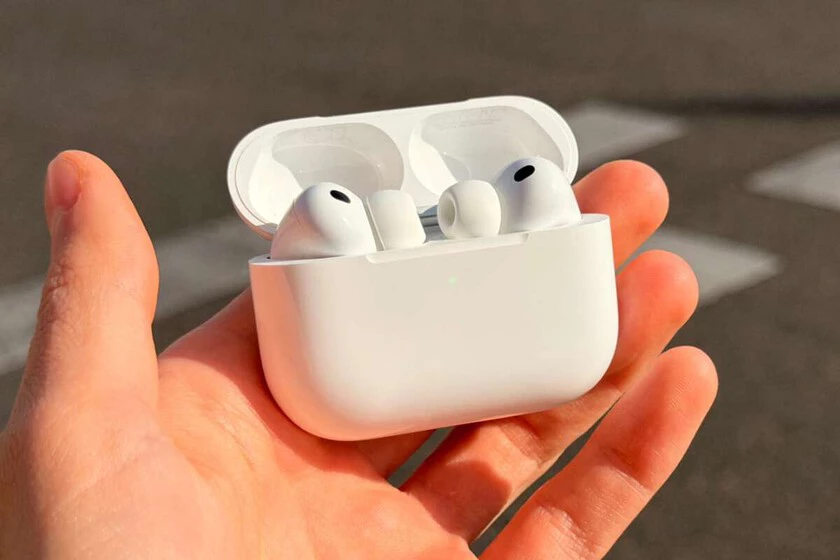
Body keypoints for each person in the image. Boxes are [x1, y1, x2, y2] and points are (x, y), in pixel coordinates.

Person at [0, 151, 717, 559]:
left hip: (355, 378)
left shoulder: (332, 375)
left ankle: (335, 221)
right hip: (363, 377)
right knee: (537, 193)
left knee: (331, 219)